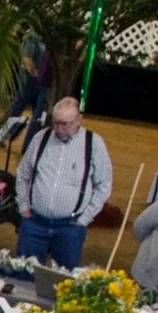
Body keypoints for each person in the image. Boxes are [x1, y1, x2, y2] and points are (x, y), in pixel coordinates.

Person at [14, 98, 113, 270]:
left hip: (70, 228)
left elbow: (104, 185)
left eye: (65, 124)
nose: (59, 128)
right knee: (24, 276)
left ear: (79, 119)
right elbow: (23, 174)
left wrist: (84, 218)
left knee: (62, 283)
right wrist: (24, 206)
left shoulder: (93, 143)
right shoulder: (41, 137)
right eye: (56, 123)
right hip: (34, 223)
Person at [0, 32, 50, 148]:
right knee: (17, 108)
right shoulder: (33, 37)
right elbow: (27, 59)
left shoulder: (50, 40)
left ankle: (29, 145)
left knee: (38, 114)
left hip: (43, 80)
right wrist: (35, 75)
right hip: (31, 79)